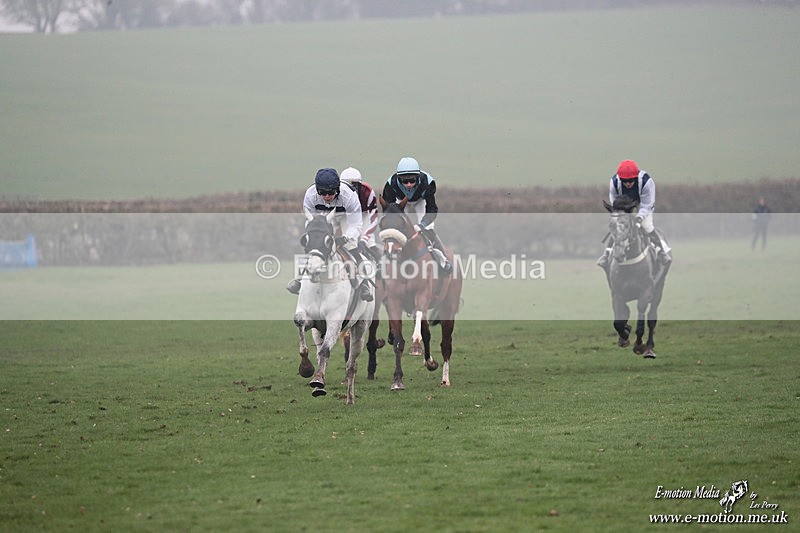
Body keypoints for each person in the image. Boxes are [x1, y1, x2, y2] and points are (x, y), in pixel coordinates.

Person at [286, 168, 373, 301]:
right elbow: (310, 222)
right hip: (322, 218)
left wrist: (345, 238)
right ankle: (298, 280)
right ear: (317, 190)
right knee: (314, 245)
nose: (326, 196)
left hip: (345, 217)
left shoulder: (349, 196)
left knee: (351, 246)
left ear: (337, 189)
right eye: (322, 193)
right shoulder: (310, 195)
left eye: (331, 192)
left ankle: (364, 284)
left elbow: (355, 225)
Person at [382, 156, 452, 275]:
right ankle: (382, 261)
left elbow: (432, 209)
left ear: (418, 177)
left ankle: (443, 260)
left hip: (421, 201)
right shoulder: (391, 184)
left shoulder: (428, 183)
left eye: (412, 180)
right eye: (405, 181)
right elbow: (388, 210)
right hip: (400, 202)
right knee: (394, 229)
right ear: (399, 179)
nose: (409, 184)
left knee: (429, 229)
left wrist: (423, 225)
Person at [597, 159, 671, 268]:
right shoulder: (614, 182)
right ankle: (607, 254)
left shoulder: (646, 182)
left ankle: (661, 252)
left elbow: (647, 205)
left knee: (647, 226)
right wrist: (620, 214)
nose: (627, 183)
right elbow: (614, 201)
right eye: (624, 181)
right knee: (618, 227)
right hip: (624, 207)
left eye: (631, 180)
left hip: (643, 206)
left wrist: (639, 218)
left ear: (636, 178)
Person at [340, 167, 381, 261]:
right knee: (350, 244)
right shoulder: (339, 194)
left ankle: (380, 266)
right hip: (347, 216)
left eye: (354, 186)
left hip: (364, 214)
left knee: (369, 243)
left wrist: (364, 240)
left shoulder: (367, 191)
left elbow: (373, 218)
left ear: (360, 185)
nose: (350, 189)